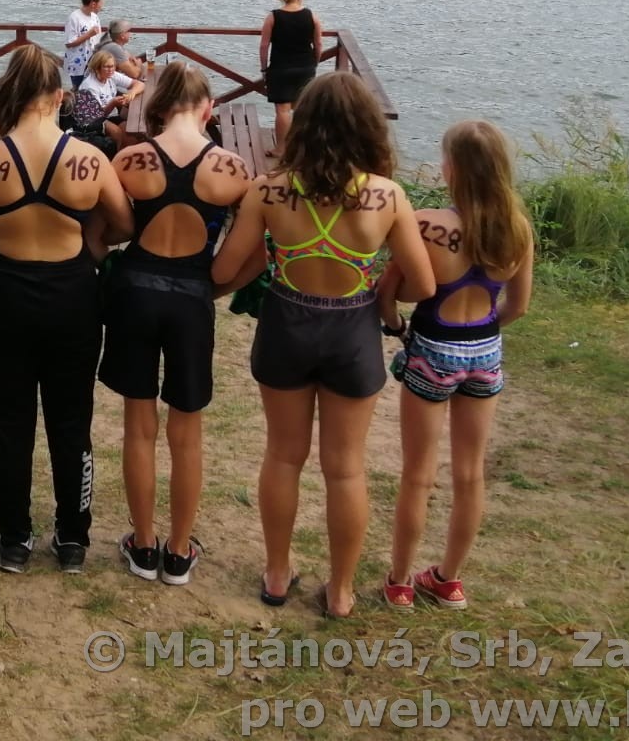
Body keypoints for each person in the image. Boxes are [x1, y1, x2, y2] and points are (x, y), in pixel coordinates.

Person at [211, 72, 434, 617]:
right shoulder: (388, 196)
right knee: (346, 468)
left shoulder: (267, 190)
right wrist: (382, 292)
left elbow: (225, 267)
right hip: (352, 331)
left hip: (286, 324)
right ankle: (341, 590)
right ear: (367, 128)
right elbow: (424, 284)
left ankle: (277, 571)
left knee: (283, 456)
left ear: (304, 125)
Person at [0, 44, 134, 575]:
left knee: (10, 420)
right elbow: (123, 224)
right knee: (72, 419)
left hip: (4, 294)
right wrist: (86, 242)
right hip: (72, 294)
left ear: (10, 94)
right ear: (58, 97)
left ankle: (14, 539)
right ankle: (72, 539)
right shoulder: (90, 159)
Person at [101, 63, 251, 584]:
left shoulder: (129, 160)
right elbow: (247, 254)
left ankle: (143, 545)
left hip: (135, 293)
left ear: (158, 107)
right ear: (209, 108)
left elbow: (107, 227)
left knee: (138, 426)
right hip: (192, 298)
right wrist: (213, 288)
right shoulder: (233, 169)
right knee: (186, 433)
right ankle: (180, 551)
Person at [380, 121, 534, 610]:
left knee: (417, 474)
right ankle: (448, 580)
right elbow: (518, 306)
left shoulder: (425, 224)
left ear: (451, 169)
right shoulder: (517, 229)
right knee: (470, 473)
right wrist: (483, 332)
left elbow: (388, 293)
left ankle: (400, 582)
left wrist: (396, 327)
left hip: (432, 349)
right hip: (485, 352)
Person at [258, 0, 322, 148]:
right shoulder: (312, 16)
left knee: (283, 110)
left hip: (280, 68)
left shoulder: (273, 17)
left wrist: (264, 68)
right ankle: (302, 149)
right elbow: (318, 44)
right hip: (305, 68)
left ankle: (281, 149)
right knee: (303, 109)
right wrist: (315, 63)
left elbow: (264, 45)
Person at [73, 48, 144, 150]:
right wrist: (113, 103)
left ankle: (125, 152)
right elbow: (97, 116)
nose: (111, 69)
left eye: (113, 66)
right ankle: (116, 154)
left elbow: (140, 84)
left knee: (132, 128)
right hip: (92, 120)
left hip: (112, 115)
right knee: (116, 131)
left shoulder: (111, 75)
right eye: (107, 67)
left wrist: (131, 93)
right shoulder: (89, 86)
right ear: (97, 68)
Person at [63, 0, 104, 89]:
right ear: (93, 4)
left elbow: (98, 40)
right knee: (78, 90)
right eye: (101, 3)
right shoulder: (74, 17)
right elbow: (69, 43)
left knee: (92, 89)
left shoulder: (95, 17)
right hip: (78, 65)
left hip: (93, 63)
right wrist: (88, 35)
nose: (102, 6)